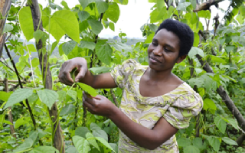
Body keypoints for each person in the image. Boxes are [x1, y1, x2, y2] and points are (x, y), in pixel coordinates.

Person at [58, 19, 203, 153]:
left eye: (167, 49)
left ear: (180, 58)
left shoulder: (183, 97)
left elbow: (153, 140)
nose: (156, 51)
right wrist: (80, 64)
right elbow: (93, 81)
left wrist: (111, 112)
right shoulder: (132, 72)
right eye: (155, 43)